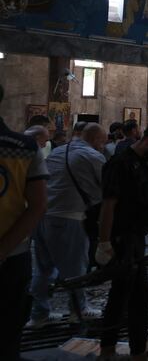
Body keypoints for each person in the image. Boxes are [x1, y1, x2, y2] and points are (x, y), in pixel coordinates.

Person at [95, 122, 148, 361]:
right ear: (147, 141)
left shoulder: (143, 165)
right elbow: (108, 205)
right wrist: (104, 243)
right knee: (128, 297)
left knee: (134, 296)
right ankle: (116, 350)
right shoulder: (120, 164)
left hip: (136, 238)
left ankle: (131, 350)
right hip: (121, 239)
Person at [29, 122, 106, 326]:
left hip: (43, 216)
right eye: (102, 141)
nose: (102, 146)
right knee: (76, 268)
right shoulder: (93, 156)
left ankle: (39, 314)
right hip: (69, 218)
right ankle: (78, 310)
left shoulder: (57, 152)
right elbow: (107, 186)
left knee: (43, 268)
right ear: (96, 139)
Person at [0, 84, 49, 360]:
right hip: (13, 255)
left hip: (12, 255)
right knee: (8, 332)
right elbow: (38, 205)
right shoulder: (24, 147)